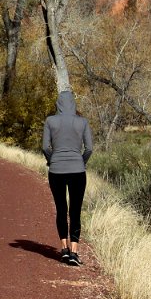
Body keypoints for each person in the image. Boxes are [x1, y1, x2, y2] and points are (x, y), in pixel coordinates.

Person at [42, 90, 93, 266]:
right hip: (78, 171)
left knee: (61, 208)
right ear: (73, 104)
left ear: (58, 104)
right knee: (75, 210)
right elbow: (89, 149)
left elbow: (45, 147)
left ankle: (63, 249)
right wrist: (81, 162)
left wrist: (52, 160)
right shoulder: (82, 122)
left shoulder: (50, 121)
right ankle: (74, 251)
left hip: (56, 170)